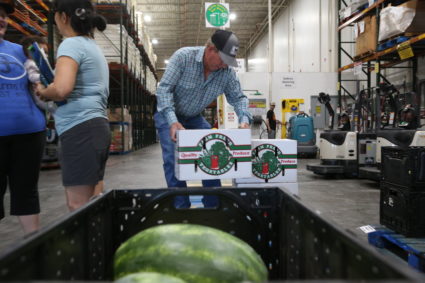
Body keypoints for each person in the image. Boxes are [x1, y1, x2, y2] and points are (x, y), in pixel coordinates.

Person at [155, 29, 252, 208]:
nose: (224, 65)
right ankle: (180, 208)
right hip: (169, 115)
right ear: (210, 49)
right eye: (223, 59)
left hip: (194, 117)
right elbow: (164, 89)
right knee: (173, 159)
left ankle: (213, 207)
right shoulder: (183, 58)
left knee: (213, 153)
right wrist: (172, 120)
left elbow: (239, 98)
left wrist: (244, 119)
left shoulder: (227, 73)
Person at [36, 0, 110, 211]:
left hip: (80, 128)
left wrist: (43, 90)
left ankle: (89, 244)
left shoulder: (70, 44)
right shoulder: (91, 46)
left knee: (77, 205)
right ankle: (100, 244)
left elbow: (62, 89)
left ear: (64, 17)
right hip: (95, 126)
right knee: (94, 198)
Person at [0, 0, 46, 233]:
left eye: (3, 15)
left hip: (30, 133)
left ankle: (34, 249)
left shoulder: (20, 50)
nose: (1, 19)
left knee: (27, 192)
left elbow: (40, 83)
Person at [20, 35, 57, 113]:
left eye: (46, 52)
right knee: (56, 109)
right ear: (30, 52)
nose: (45, 55)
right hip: (41, 98)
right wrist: (42, 77)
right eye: (42, 52)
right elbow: (32, 76)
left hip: (47, 94)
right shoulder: (30, 63)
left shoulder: (42, 63)